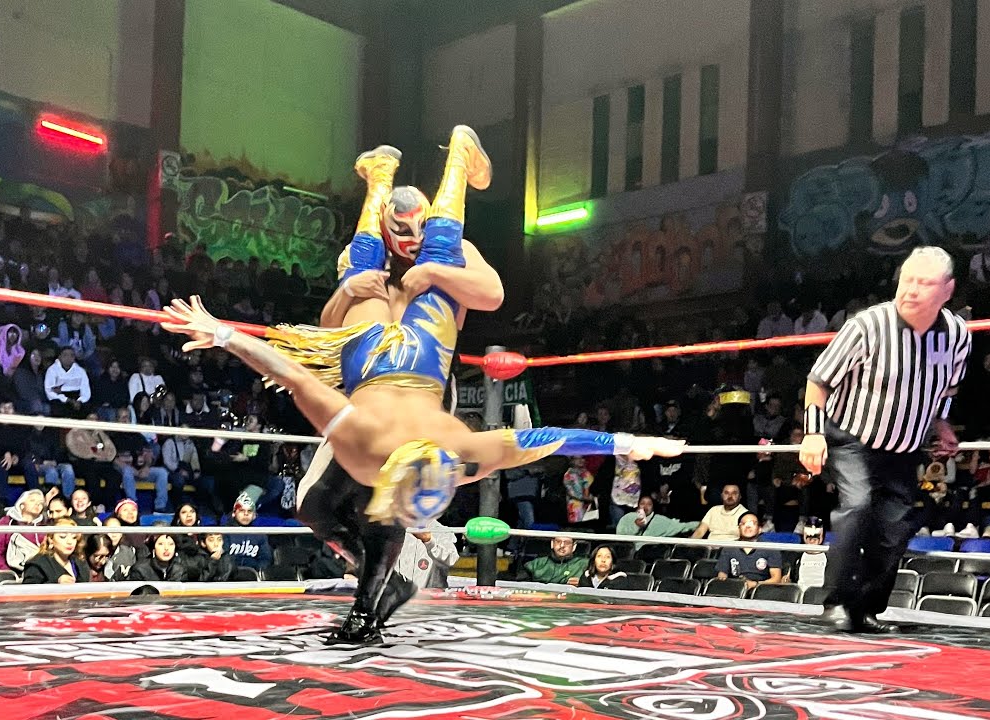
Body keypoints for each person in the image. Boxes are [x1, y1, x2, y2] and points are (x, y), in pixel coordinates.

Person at [162, 128, 683, 643]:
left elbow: (500, 321)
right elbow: (547, 439)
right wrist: (626, 441)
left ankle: (412, 168)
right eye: (402, 233)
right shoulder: (436, 448)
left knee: (430, 258)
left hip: (393, 365)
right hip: (397, 361)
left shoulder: (423, 443)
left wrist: (628, 443)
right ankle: (442, 160)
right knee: (320, 496)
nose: (411, 243)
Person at [800, 246, 970, 634]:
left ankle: (867, 609)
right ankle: (836, 602)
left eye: (924, 283)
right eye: (907, 279)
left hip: (905, 447)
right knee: (858, 507)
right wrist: (812, 433)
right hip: (852, 437)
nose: (911, 289)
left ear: (947, 290)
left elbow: (947, 389)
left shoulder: (957, 335)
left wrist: (942, 423)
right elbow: (818, 381)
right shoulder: (867, 326)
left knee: (894, 530)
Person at [715, 513, 783, 590]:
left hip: (763, 590)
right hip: (735, 588)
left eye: (753, 523)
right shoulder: (729, 547)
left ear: (759, 529)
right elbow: (722, 575)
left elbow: (776, 579)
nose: (748, 526)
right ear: (738, 528)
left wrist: (755, 584)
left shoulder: (770, 548)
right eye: (743, 524)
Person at [392, 520, 458, 589]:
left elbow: (452, 560)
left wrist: (429, 541)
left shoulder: (440, 531)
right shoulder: (392, 528)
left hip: (429, 593)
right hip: (397, 593)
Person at [21, 519, 85, 584]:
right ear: (51, 539)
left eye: (74, 537)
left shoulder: (80, 561)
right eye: (63, 537)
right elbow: (28, 589)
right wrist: (56, 583)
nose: (70, 542)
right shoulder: (37, 564)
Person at [615, 495, 699, 539]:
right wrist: (636, 526)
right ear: (638, 505)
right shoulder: (628, 517)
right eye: (642, 503)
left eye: (649, 504)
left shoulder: (660, 521)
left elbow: (683, 526)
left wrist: (703, 524)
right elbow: (619, 534)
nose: (645, 507)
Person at [516, 536, 588, 585]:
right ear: (552, 544)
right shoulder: (535, 564)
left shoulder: (585, 564)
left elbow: (593, 584)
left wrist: (582, 583)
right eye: (558, 541)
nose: (562, 545)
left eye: (567, 543)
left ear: (574, 546)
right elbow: (520, 585)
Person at [786, 517, 827, 592]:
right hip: (801, 594)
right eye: (809, 538)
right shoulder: (797, 557)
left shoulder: (830, 557)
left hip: (822, 594)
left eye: (815, 538)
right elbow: (790, 579)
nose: (812, 541)